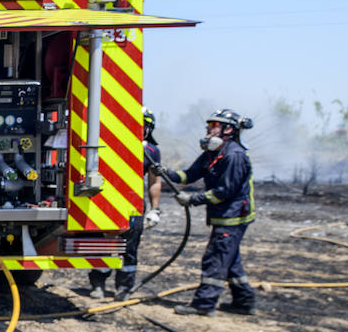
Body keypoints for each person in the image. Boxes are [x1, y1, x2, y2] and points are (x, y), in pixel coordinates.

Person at [165, 109, 256, 316]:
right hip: (223, 215)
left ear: (228, 129)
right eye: (209, 125)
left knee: (215, 258)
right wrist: (166, 172)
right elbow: (188, 175)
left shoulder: (235, 155)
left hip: (233, 216)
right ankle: (244, 302)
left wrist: (192, 200)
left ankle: (204, 305)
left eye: (214, 125)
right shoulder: (212, 153)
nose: (208, 128)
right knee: (230, 259)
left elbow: (224, 191)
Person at [87, 107, 163, 302]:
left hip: (133, 206)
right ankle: (98, 284)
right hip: (106, 202)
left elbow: (155, 182)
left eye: (144, 124)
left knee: (129, 249)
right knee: (102, 245)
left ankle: (124, 287)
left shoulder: (151, 151)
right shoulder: (109, 143)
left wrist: (155, 210)